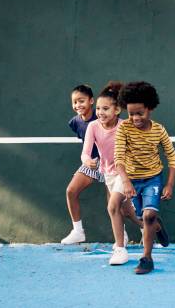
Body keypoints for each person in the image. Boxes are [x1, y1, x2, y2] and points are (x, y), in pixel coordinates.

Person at [114, 81, 175, 274]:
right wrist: (125, 181)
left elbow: (172, 156)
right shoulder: (124, 128)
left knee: (148, 215)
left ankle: (146, 259)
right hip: (133, 181)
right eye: (131, 113)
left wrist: (170, 184)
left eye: (139, 113)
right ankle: (157, 228)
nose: (135, 118)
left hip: (153, 179)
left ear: (150, 108)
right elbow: (119, 156)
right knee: (145, 217)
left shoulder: (159, 130)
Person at [80, 81, 142, 264]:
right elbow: (85, 152)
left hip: (126, 173)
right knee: (127, 211)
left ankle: (120, 249)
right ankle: (149, 226)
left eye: (105, 108)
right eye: (98, 108)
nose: (100, 112)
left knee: (113, 205)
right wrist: (87, 161)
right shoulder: (93, 127)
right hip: (108, 173)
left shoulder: (125, 127)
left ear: (117, 110)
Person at [61, 84, 102, 244]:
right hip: (89, 162)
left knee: (119, 206)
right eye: (75, 102)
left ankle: (144, 228)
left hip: (109, 163)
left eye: (82, 101)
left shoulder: (101, 118)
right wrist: (88, 160)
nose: (78, 105)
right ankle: (78, 232)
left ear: (92, 101)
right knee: (71, 191)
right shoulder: (74, 122)